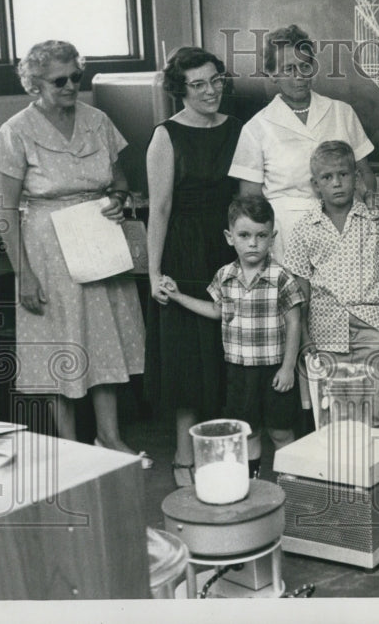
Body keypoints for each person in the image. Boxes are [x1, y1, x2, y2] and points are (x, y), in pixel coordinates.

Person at [0, 39, 149, 463]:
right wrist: (23, 274)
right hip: (47, 249)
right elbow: (5, 207)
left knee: (105, 341)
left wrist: (118, 197)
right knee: (62, 343)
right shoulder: (16, 130)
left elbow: (120, 179)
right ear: (34, 84)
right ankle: (72, 447)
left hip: (97, 241)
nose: (72, 85)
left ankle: (110, 439)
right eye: (60, 80)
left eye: (77, 76)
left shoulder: (97, 121)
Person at [144, 46, 244, 486]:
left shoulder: (239, 129)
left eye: (215, 79)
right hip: (184, 250)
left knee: (229, 348)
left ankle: (227, 447)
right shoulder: (165, 135)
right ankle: (185, 455)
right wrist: (152, 272)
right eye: (198, 84)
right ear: (179, 91)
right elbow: (160, 208)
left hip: (228, 247)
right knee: (188, 352)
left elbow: (246, 198)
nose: (210, 90)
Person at [160, 195, 305, 477]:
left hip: (275, 370)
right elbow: (216, 310)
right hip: (239, 371)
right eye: (245, 235)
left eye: (261, 235)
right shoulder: (225, 276)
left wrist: (288, 368)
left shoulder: (281, 277)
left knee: (280, 430)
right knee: (247, 432)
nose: (253, 243)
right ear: (230, 237)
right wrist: (178, 297)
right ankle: (254, 486)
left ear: (272, 237)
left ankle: (293, 485)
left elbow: (295, 322)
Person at [229, 24, 378, 264]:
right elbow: (251, 204)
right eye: (288, 68)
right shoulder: (256, 128)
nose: (299, 76)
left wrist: (367, 205)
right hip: (285, 237)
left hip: (343, 228)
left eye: (305, 66)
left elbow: (365, 174)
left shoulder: (342, 112)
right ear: (272, 73)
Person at [283, 141, 379, 429]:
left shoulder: (374, 221)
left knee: (377, 405)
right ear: (315, 185)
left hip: (370, 327)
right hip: (325, 331)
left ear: (357, 177)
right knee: (335, 410)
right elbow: (301, 289)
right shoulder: (305, 229)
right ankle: (339, 471)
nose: (336, 183)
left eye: (344, 174)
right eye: (327, 178)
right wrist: (305, 337)